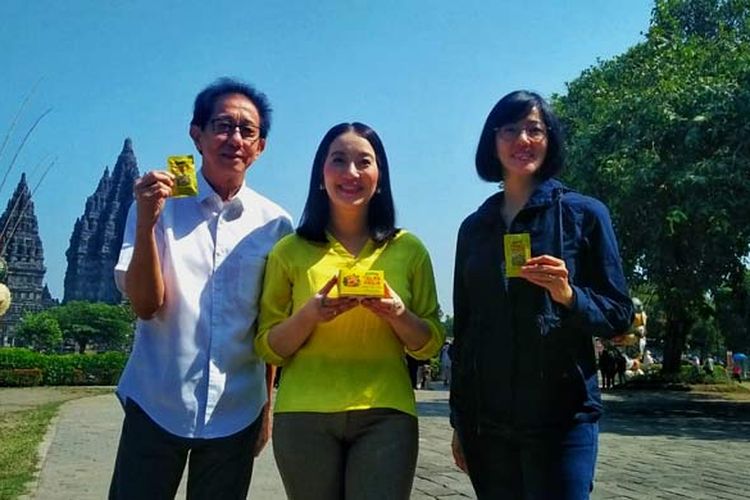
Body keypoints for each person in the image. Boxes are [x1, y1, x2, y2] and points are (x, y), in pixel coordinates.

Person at [110, 77, 292, 500]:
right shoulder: (158, 204)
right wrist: (147, 221)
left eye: (247, 130)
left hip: (236, 408)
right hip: (156, 398)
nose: (235, 139)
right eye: (223, 126)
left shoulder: (275, 225)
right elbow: (145, 305)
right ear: (197, 134)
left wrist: (266, 409)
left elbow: (266, 324)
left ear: (260, 146)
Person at [449, 90, 634, 499]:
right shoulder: (475, 228)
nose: (523, 140)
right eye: (510, 130)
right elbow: (466, 330)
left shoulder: (584, 214)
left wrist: (569, 295)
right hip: (488, 426)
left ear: (550, 139)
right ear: (492, 141)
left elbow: (619, 313)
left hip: (562, 419)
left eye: (534, 129)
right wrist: (459, 420)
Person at [255, 122, 444, 500]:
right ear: (320, 175)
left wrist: (398, 314)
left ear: (380, 177)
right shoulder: (289, 250)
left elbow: (430, 343)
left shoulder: (409, 249)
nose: (351, 173)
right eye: (338, 160)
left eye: (364, 162)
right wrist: (310, 314)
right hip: (304, 413)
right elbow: (268, 346)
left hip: (386, 411)